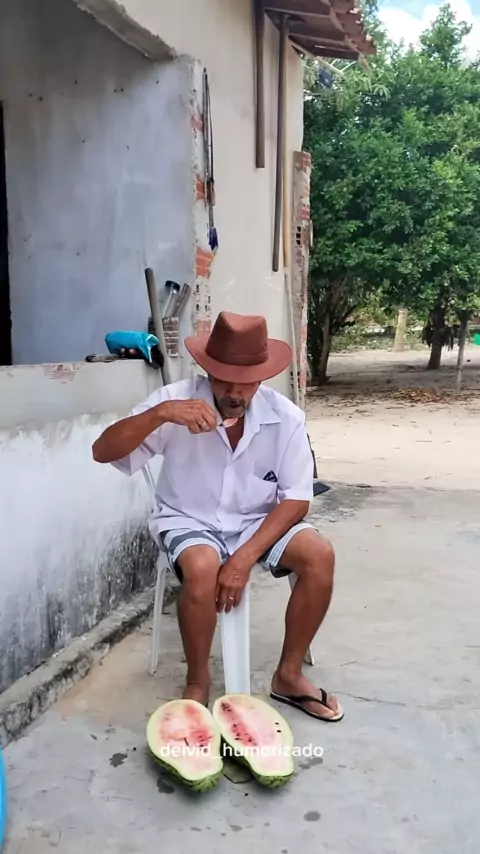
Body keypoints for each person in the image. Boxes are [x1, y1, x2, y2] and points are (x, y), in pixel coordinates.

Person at [92, 311, 343, 722]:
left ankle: (288, 675)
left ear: (261, 378)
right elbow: (102, 452)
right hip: (187, 517)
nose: (234, 392)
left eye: (246, 382)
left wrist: (243, 559)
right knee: (202, 565)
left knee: (319, 555)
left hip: (256, 522)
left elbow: (297, 500)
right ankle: (197, 681)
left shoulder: (285, 418)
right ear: (207, 371)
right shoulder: (175, 401)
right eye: (224, 379)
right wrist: (159, 414)